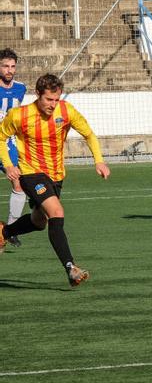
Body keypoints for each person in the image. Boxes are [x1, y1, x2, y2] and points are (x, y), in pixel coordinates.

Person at [0, 74, 110, 286]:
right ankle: (71, 268)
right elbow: (1, 137)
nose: (53, 104)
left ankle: (5, 231)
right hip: (31, 173)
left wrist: (99, 161)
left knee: (39, 222)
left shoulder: (66, 110)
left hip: (56, 176)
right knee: (57, 212)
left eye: (56, 99)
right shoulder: (19, 115)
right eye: (49, 99)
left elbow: (89, 134)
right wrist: (8, 164)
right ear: (38, 94)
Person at [0, 48, 28, 248]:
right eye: (5, 66)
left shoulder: (21, 88)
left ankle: (10, 230)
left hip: (7, 144)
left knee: (18, 184)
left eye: (12, 66)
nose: (9, 70)